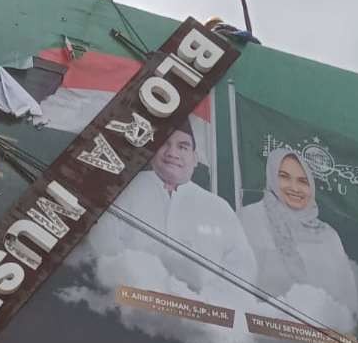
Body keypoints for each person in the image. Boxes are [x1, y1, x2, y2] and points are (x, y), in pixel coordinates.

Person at [85, 120, 257, 295]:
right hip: (125, 304)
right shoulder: (122, 189)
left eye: (183, 147)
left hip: (199, 313)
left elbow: (242, 267)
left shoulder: (218, 207)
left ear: (195, 158)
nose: (172, 153)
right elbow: (100, 242)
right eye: (164, 144)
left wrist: (208, 299)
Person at [238, 148, 358, 314]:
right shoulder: (249, 218)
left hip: (325, 335)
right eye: (284, 177)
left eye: (303, 181)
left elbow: (350, 302)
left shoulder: (328, 235)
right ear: (272, 177)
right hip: (260, 330)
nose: (295, 188)